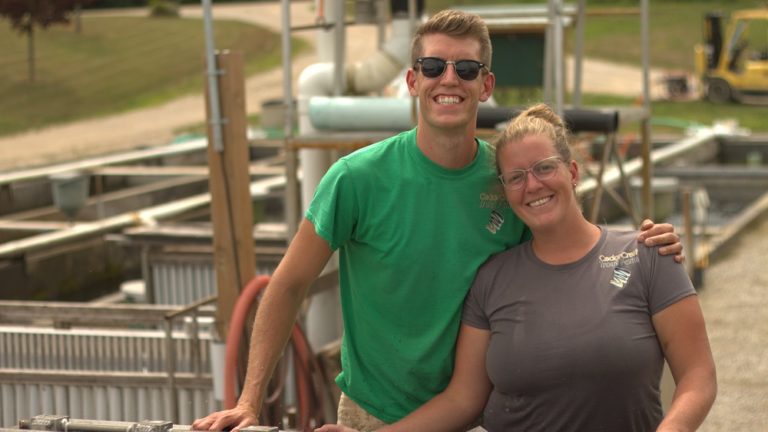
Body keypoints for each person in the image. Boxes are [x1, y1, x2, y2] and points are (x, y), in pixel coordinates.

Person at [193, 10, 683, 431]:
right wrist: (249, 401)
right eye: (433, 66)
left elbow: (569, 252)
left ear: (486, 85)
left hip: (476, 414)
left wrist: (642, 247)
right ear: (413, 80)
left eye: (466, 68)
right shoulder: (356, 179)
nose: (449, 79)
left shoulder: (510, 181)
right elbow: (288, 283)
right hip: (375, 416)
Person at [317, 104, 717, 432]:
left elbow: (698, 376)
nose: (533, 186)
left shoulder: (646, 254)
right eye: (515, 178)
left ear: (572, 172)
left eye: (544, 168)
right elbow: (462, 399)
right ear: (505, 193)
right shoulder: (492, 279)